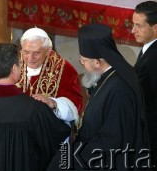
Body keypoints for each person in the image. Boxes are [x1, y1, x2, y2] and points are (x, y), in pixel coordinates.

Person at [47, 23, 150, 170]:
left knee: (58, 162)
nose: (82, 64)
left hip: (107, 159)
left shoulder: (120, 90)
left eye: (83, 60)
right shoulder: (107, 76)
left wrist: (73, 156)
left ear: (97, 62)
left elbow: (113, 140)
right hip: (93, 148)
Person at [0, 43, 71, 171]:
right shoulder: (34, 109)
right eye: (21, 64)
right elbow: (56, 142)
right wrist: (59, 108)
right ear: (14, 69)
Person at [16, 27, 83, 139]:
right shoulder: (12, 63)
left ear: (48, 51)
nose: (30, 58)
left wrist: (53, 103)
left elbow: (76, 104)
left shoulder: (64, 69)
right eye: (26, 52)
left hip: (48, 136)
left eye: (36, 53)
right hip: (16, 133)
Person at [132, 1, 157, 168]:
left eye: (139, 26)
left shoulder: (153, 59)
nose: (133, 30)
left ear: (155, 27)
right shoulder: (149, 49)